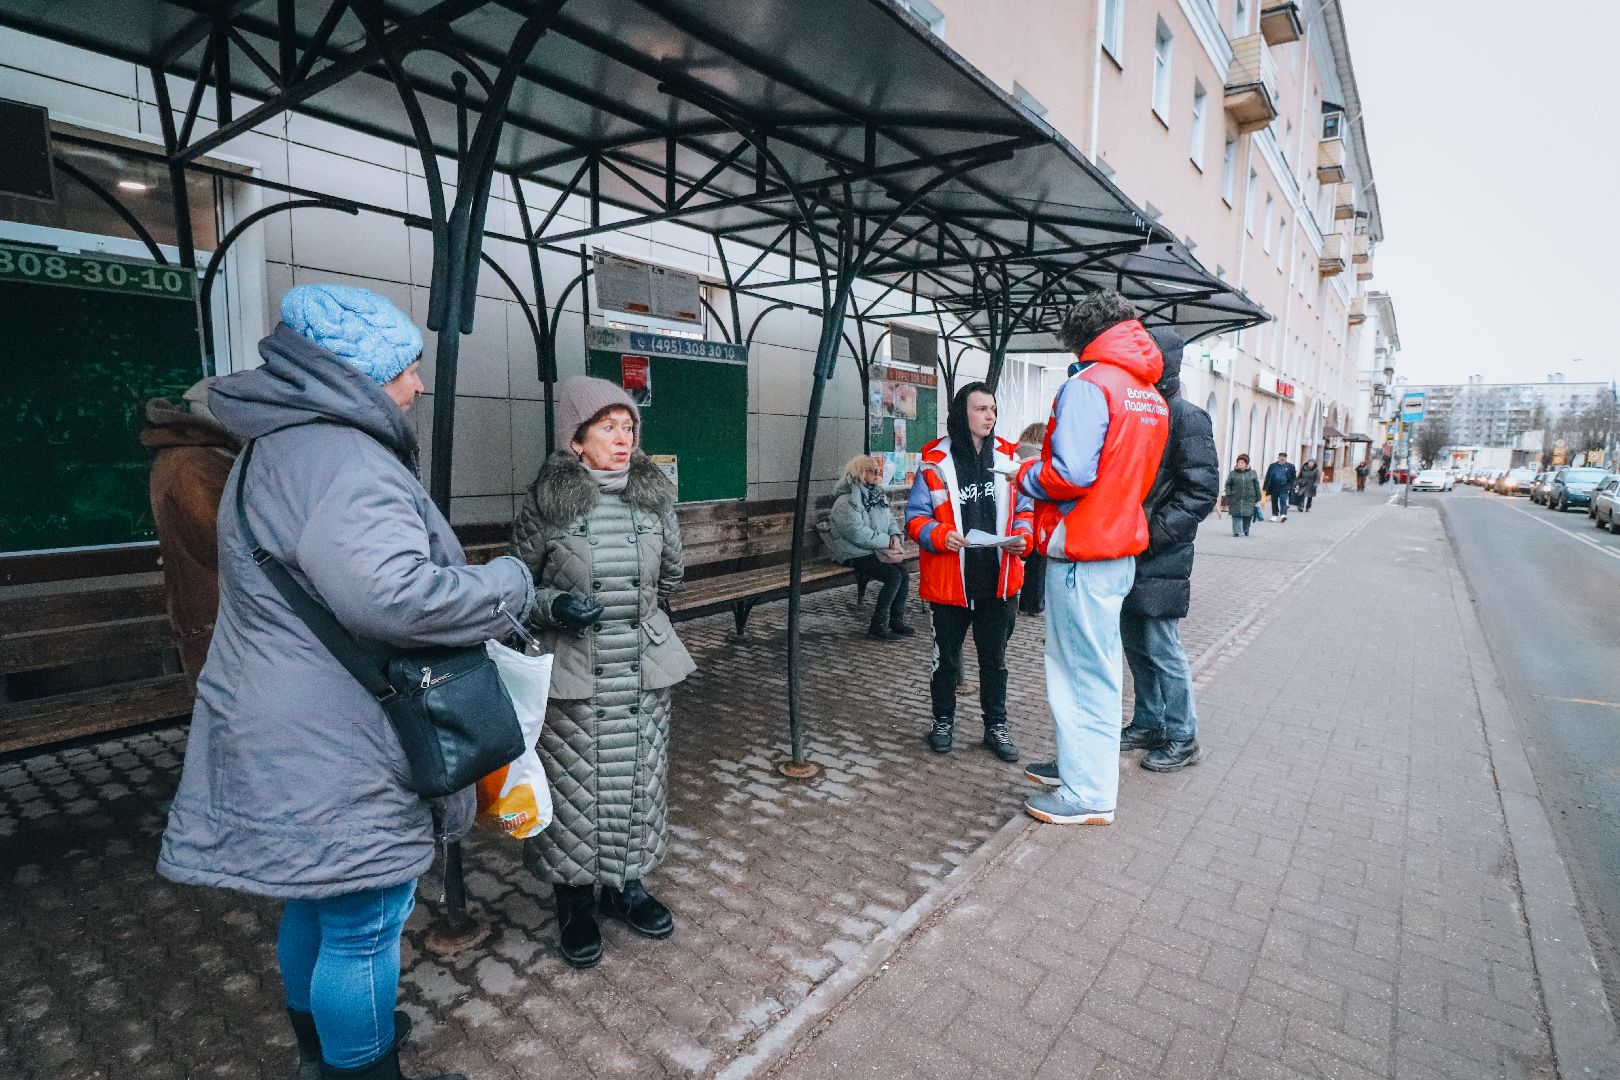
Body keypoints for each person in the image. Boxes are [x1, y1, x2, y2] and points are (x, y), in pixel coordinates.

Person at [159, 284, 535, 1080]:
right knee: (364, 924)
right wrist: (509, 583)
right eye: (404, 368)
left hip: (284, 715)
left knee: (318, 898)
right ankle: (359, 1067)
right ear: (357, 374)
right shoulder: (346, 457)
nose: (417, 385)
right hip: (339, 731)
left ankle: (321, 1055)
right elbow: (393, 596)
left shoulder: (278, 444)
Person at [511, 376, 695, 970]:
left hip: (641, 669)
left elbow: (672, 575)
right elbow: (517, 589)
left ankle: (626, 888)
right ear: (576, 440)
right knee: (575, 788)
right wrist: (555, 606)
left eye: (629, 427)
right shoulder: (546, 502)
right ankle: (573, 902)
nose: (623, 438)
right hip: (575, 674)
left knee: (639, 781)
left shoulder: (655, 497)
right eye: (608, 427)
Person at [1015, 291, 1169, 826]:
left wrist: (1023, 474)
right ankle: (1078, 769)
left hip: (1082, 546)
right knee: (1095, 668)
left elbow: (1071, 473)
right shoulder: (1148, 393)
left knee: (1079, 674)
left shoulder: (1089, 384)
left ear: (1080, 336)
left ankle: (1087, 793)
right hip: (1117, 545)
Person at [905, 382, 1033, 762]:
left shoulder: (1010, 458)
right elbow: (915, 518)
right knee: (946, 662)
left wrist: (1023, 538)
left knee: (995, 662)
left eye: (993, 409)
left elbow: (1025, 510)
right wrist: (939, 535)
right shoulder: (934, 461)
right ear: (963, 413)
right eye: (981, 409)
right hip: (950, 583)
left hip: (998, 581)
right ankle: (942, 721)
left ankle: (996, 726)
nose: (989, 416)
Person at [1117, 328, 1218, 772]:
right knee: (1136, 645)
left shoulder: (1188, 417)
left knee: (1162, 647)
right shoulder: (1144, 410)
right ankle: (1149, 722)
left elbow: (1201, 492)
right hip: (1130, 549)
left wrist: (1152, 533)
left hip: (1160, 553)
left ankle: (1183, 735)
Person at [140, 378, 240, 690]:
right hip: (217, 617)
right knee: (230, 709)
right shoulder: (194, 463)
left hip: (220, 615)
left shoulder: (203, 456)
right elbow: (230, 540)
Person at [823, 454, 913, 640]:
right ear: (860, 472)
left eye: (878, 470)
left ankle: (896, 620)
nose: (877, 473)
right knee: (893, 576)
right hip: (853, 552)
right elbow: (857, 534)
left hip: (873, 549)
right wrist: (887, 542)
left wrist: (895, 537)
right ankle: (877, 625)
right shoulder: (846, 500)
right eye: (872, 470)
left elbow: (890, 521)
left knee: (903, 573)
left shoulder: (876, 495)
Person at [1014, 422, 1049, 615]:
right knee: (1038, 560)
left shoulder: (1014, 453)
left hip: (1011, 518)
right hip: (1033, 519)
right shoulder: (1043, 459)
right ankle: (1032, 604)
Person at [1225, 455, 1261, 536]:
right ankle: (1236, 532)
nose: (1240, 464)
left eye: (1242, 462)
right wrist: (1228, 494)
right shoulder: (1233, 473)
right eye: (1239, 462)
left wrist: (1258, 497)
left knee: (1247, 515)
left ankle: (1246, 530)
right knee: (1236, 515)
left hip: (1249, 498)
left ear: (1246, 464)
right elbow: (1228, 485)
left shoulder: (1252, 473)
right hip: (1235, 498)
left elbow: (1256, 485)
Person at [1264, 452, 1297, 521]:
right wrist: (1265, 487)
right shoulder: (1273, 466)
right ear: (1278, 457)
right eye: (1281, 457)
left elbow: (1293, 477)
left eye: (1284, 457)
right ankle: (1274, 515)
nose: (1282, 458)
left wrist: (1290, 486)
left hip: (1284, 486)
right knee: (1274, 501)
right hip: (1274, 486)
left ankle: (1283, 515)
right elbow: (1268, 476)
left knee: (1283, 500)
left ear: (1286, 458)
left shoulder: (1290, 466)